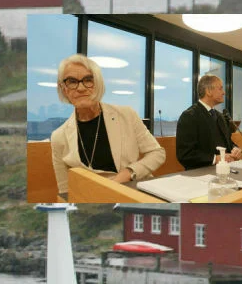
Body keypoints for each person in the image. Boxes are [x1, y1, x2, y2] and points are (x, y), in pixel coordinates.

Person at [49, 54, 165, 198]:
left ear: (98, 84)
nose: (80, 88)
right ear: (64, 89)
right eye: (72, 81)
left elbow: (157, 153)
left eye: (88, 80)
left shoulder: (126, 115)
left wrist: (129, 172)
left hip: (136, 191)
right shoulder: (58, 137)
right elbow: (65, 191)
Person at [176, 74, 242, 169]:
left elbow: (227, 143)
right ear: (208, 91)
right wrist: (216, 158)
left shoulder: (220, 116)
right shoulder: (189, 116)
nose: (224, 92)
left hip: (225, 171)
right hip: (200, 175)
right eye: (220, 88)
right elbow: (185, 155)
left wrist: (236, 149)